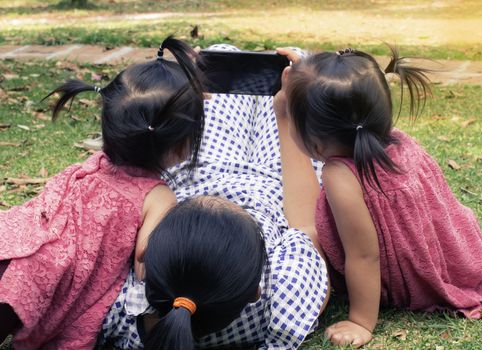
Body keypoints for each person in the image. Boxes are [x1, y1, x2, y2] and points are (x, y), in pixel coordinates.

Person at [100, 44, 330, 350]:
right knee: (297, 72)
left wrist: (176, 90)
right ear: (256, 292)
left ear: (146, 254)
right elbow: (306, 230)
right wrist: (286, 116)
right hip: (278, 183)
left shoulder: (127, 306)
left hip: (202, 168)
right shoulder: (280, 298)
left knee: (218, 56)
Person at [275, 45, 482, 347]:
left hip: (407, 275)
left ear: (315, 147)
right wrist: (309, 78)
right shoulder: (398, 141)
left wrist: (360, 321)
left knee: (304, 238)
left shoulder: (339, 176)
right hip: (453, 260)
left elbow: (364, 255)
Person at [0, 36, 207, 349]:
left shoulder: (97, 163)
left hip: (15, 242)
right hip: (49, 276)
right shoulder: (158, 196)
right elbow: (146, 260)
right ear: (180, 144)